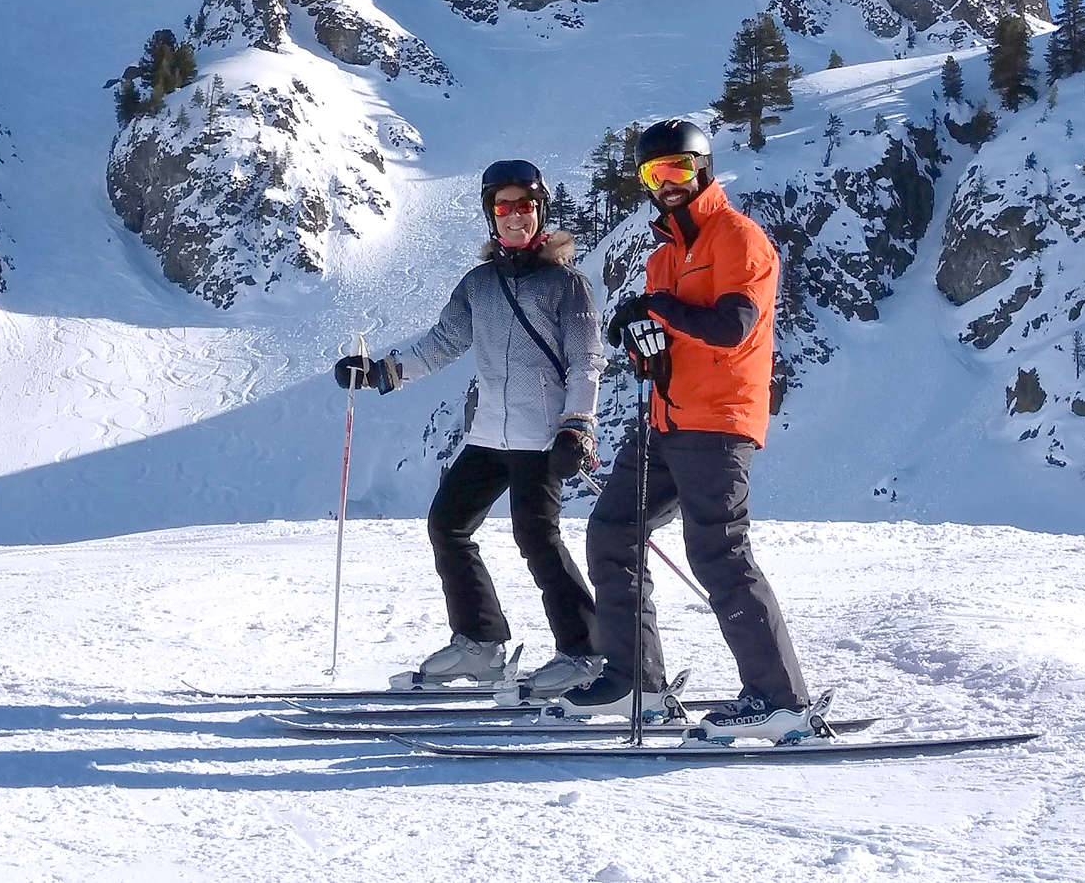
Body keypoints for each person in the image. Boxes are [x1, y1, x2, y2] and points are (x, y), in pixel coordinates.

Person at [557, 118, 813, 741]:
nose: (666, 182)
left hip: (718, 422)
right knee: (613, 531)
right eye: (654, 172)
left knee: (718, 551)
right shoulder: (663, 257)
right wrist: (642, 342)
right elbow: (668, 338)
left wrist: (658, 309)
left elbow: (732, 327)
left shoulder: (739, 239)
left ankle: (781, 700)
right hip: (665, 419)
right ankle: (635, 683)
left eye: (677, 167)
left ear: (703, 167)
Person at [335, 158, 605, 694]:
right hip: (488, 435)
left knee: (537, 538)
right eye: (504, 207)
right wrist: (380, 372)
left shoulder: (565, 285)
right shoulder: (479, 284)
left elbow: (586, 361)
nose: (515, 216)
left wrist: (578, 425)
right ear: (490, 214)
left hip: (540, 438)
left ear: (540, 210)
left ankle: (585, 653)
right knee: (448, 525)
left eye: (525, 205)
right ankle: (480, 643)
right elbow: (442, 343)